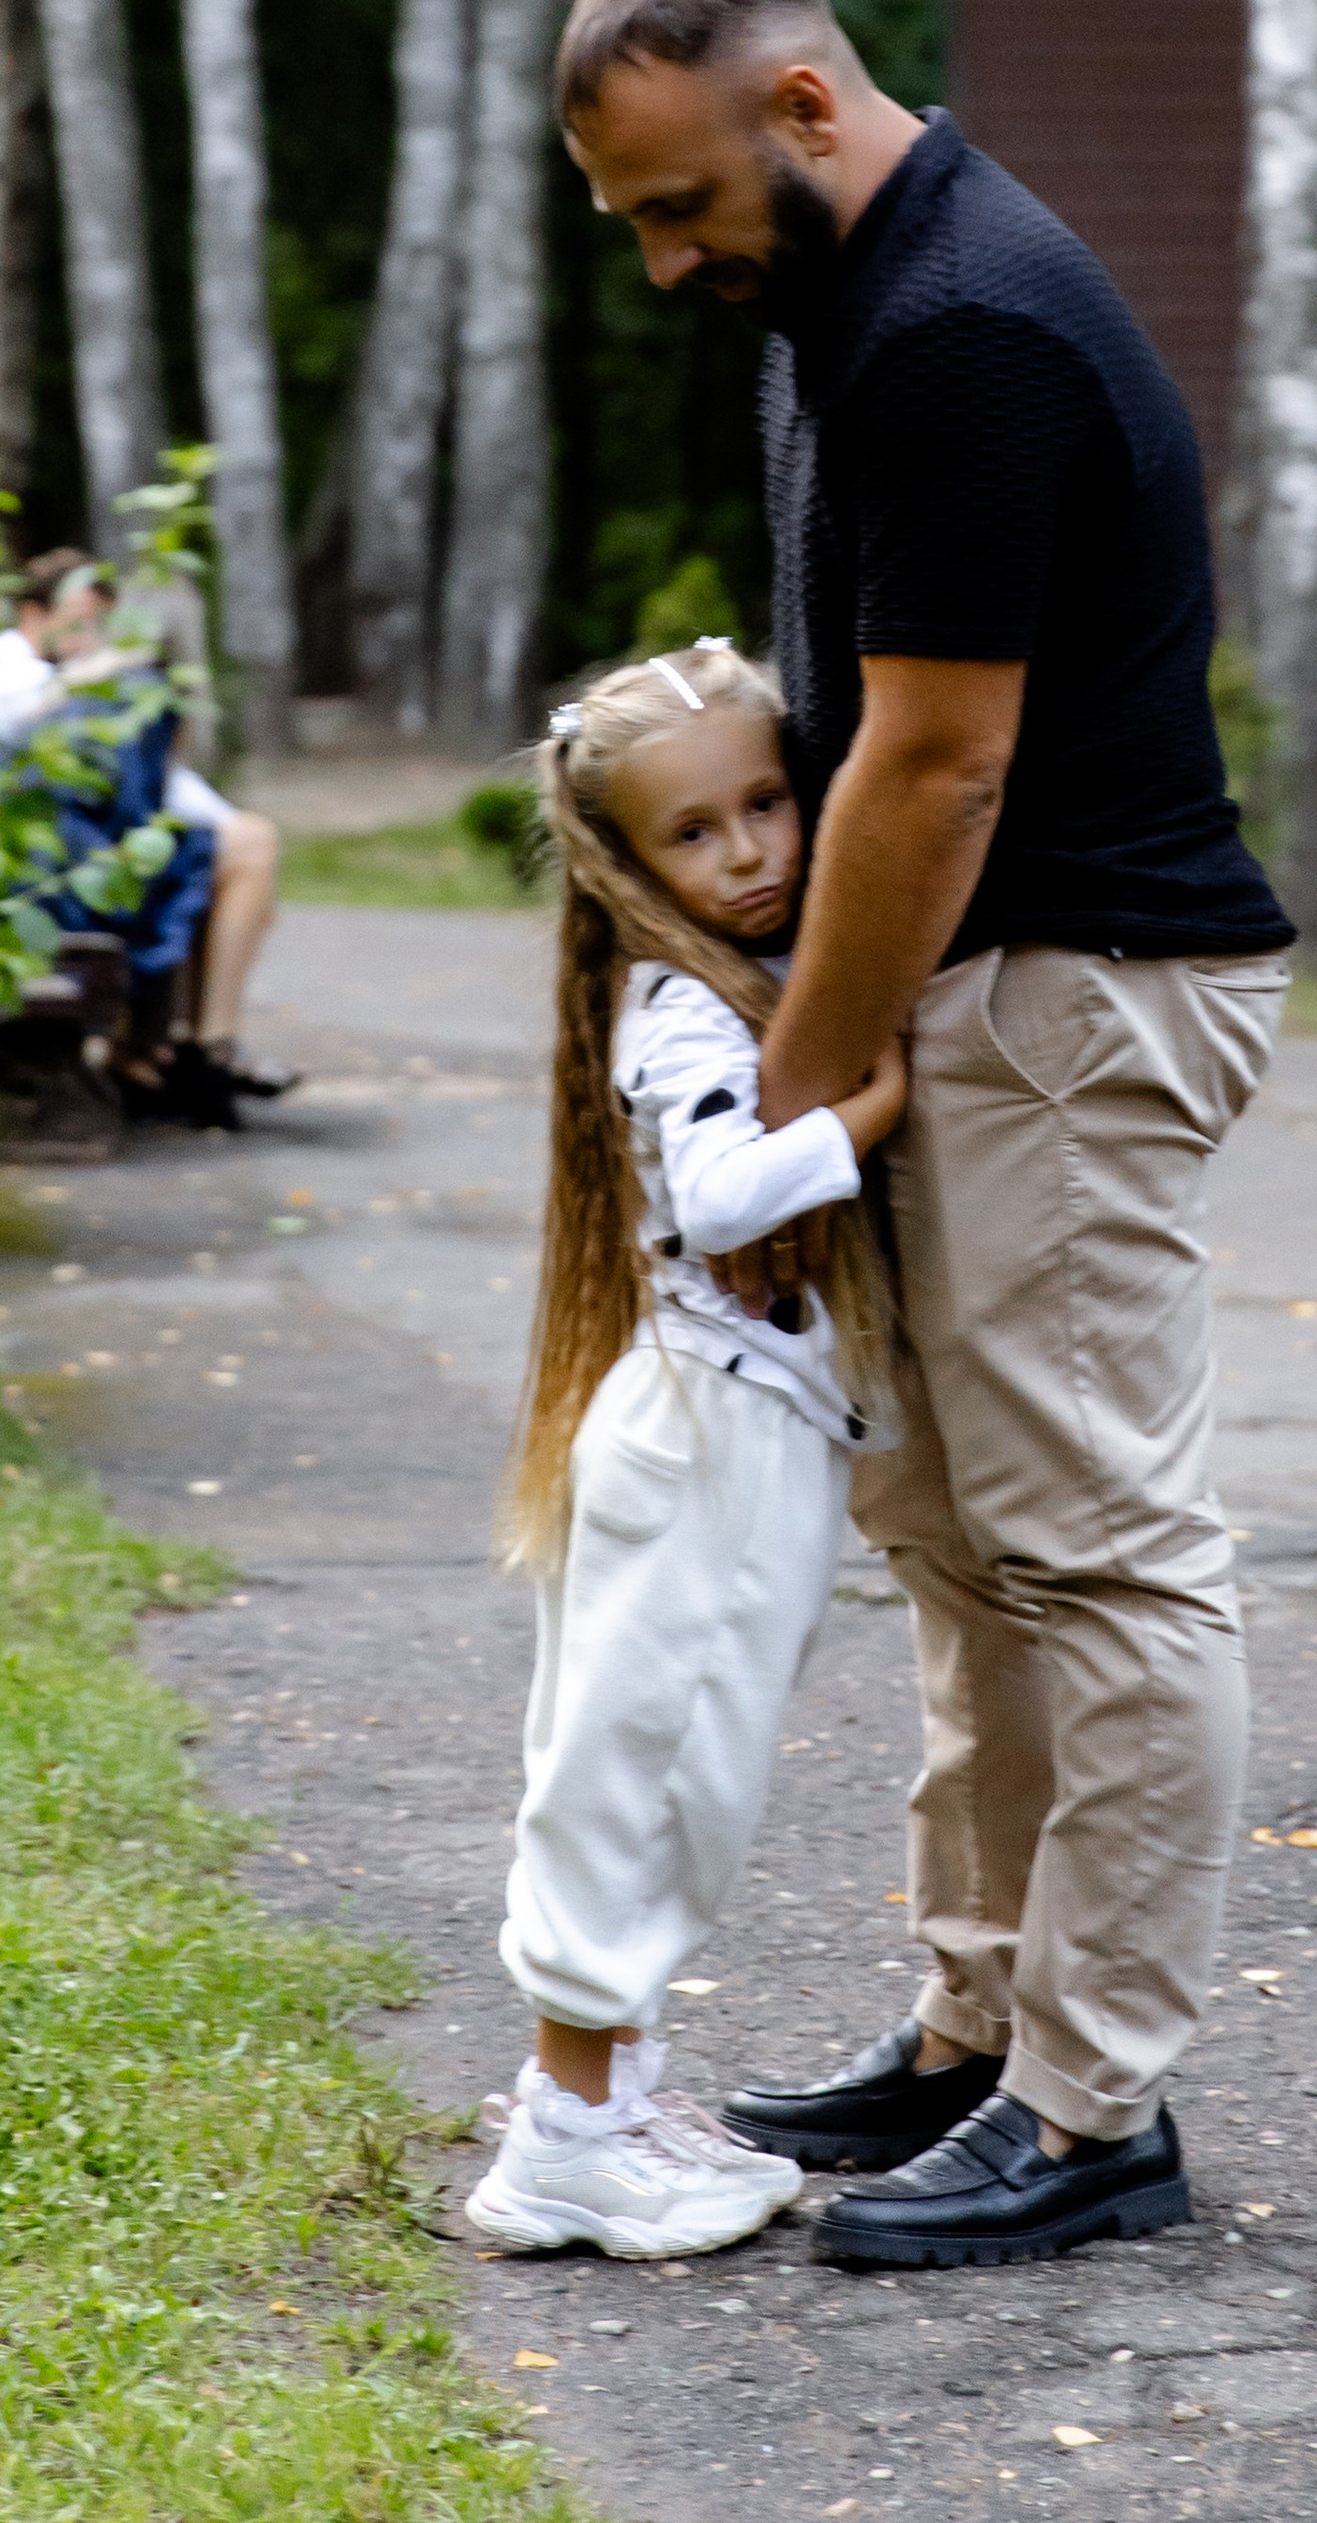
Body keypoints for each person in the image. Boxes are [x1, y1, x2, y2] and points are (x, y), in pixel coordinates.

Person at [555, 0, 1295, 2272]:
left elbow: (933, 756)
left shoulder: (958, 320)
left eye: (677, 203)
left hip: (1068, 993)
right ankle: (976, 2035)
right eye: (629, 221)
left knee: (1096, 1550)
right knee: (963, 1550)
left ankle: (1094, 2102)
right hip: (976, 998)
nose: (665, 259)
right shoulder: (833, 308)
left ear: (797, 105)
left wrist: (781, 1103)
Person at [466, 638, 907, 2263]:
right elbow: (725, 1199)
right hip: (714, 1442)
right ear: (626, 862)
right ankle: (571, 2141)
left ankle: (607, 2095)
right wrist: (872, 1107)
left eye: (767, 806)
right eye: (697, 834)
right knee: (652, 1775)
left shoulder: (722, 985)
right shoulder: (679, 1008)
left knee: (641, 1757)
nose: (750, 854)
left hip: (703, 1431)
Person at [0, 549, 293, 1116]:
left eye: (101, 620)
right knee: (201, 870)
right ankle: (161, 1051)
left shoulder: (108, 689)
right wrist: (77, 686)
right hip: (13, 886)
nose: (91, 633)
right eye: (79, 617)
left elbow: (171, 794)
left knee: (245, 850)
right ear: (32, 615)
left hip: (81, 868)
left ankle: (200, 1049)